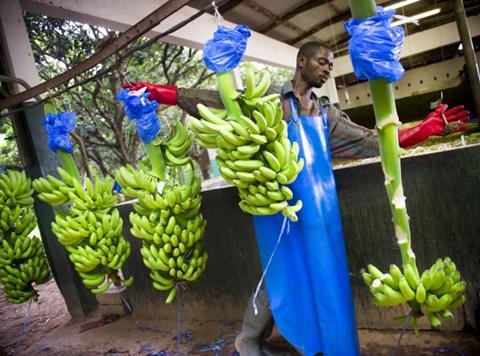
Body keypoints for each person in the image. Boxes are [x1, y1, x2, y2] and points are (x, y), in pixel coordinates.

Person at [123, 41, 470, 355]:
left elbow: (371, 141)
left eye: (331, 65)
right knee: (280, 274)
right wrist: (162, 94)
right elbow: (216, 101)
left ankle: (325, 345)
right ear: (301, 61)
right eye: (321, 62)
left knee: (326, 272)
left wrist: (420, 132)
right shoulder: (270, 101)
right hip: (277, 203)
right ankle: (247, 340)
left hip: (320, 208)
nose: (326, 69)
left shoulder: (326, 113)